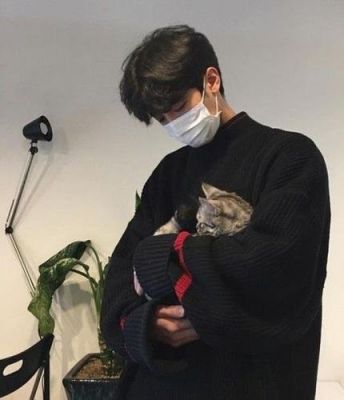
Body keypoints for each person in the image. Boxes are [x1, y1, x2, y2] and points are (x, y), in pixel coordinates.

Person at [100, 24, 331, 400]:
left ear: (211, 80)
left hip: (252, 384)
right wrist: (148, 325)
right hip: (161, 386)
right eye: (162, 119)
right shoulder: (168, 173)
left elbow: (277, 269)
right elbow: (121, 276)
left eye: (178, 107)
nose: (173, 124)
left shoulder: (289, 158)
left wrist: (167, 252)